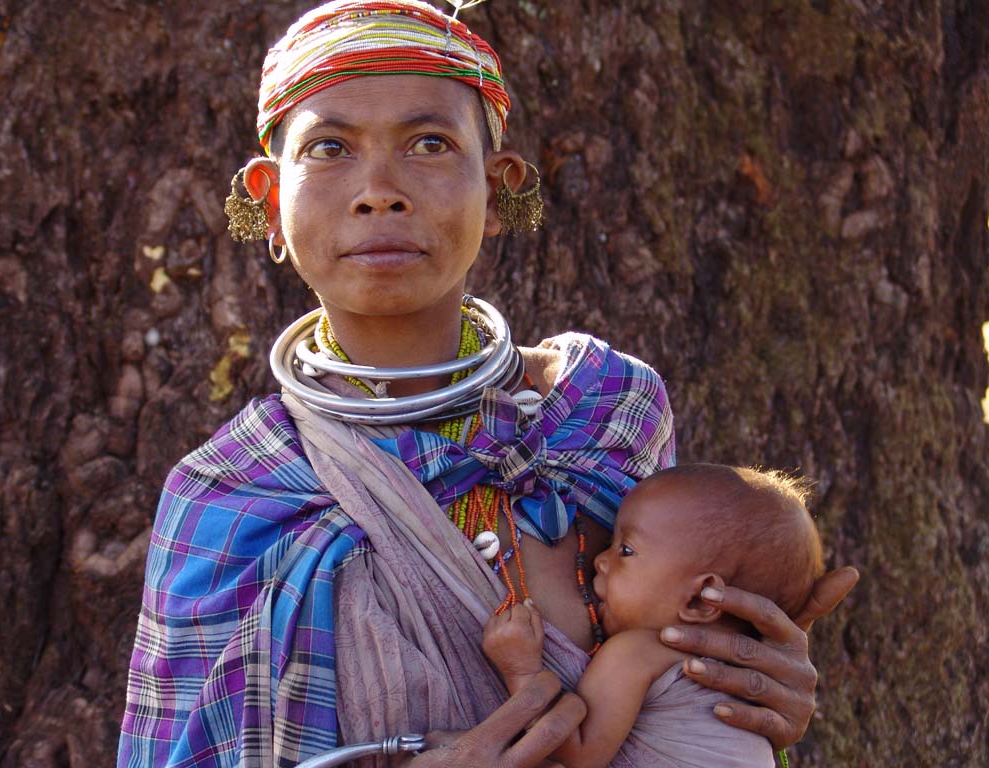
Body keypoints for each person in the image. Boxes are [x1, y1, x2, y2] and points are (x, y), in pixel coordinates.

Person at [117, 2, 859, 766]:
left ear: (499, 189)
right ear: (272, 201)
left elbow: (688, 663)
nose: (380, 190)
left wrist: (744, 694)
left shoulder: (604, 411)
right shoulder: (234, 495)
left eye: (429, 143)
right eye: (331, 147)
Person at [483, 463, 826, 768]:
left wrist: (522, 669)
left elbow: (575, 753)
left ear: (699, 600)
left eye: (626, 551)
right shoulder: (748, 679)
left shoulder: (639, 652)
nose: (601, 560)